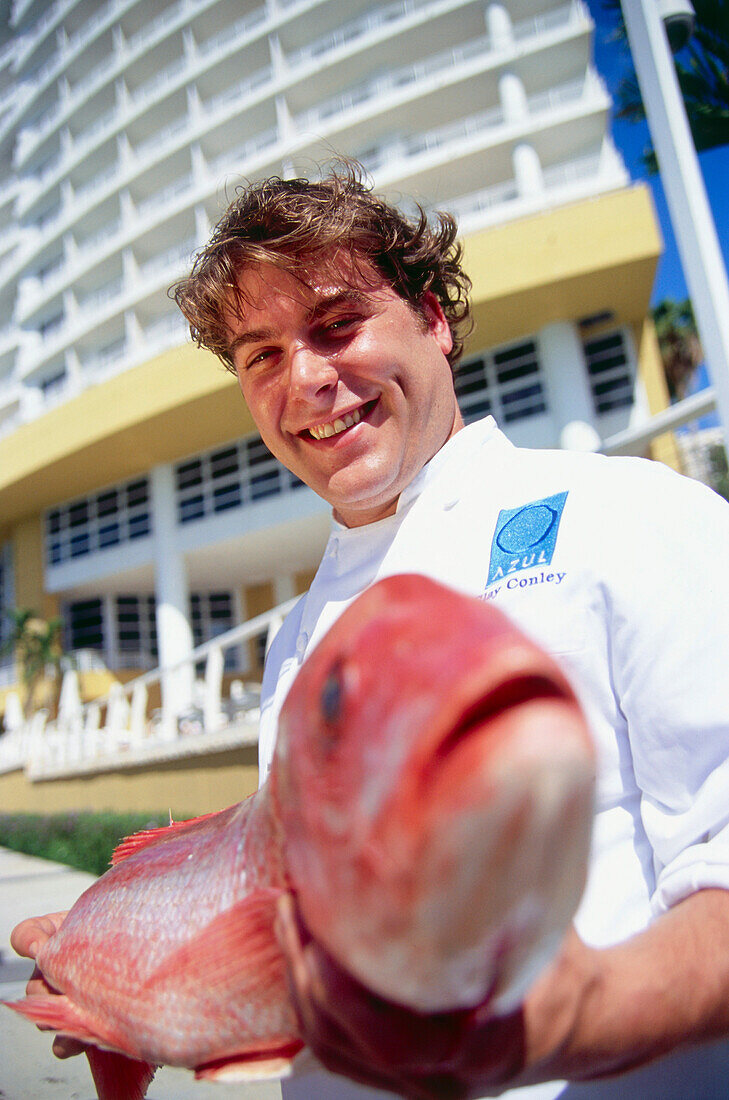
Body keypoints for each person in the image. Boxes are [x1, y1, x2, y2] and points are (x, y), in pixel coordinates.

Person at [12, 163, 729, 1099]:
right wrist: (143, 993)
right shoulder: (297, 633)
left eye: (337, 324)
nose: (307, 379)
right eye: (260, 354)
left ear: (432, 318)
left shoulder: (627, 510)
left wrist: (577, 1019)